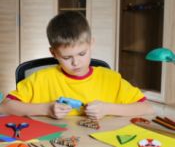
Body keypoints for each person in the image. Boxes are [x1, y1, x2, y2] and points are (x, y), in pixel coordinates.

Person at [0, 11, 154, 119]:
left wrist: (108, 108)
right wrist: (46, 109)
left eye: (82, 53)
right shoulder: (40, 79)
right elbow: (5, 106)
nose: (76, 62)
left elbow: (147, 107)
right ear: (53, 53)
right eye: (67, 57)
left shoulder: (111, 79)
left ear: (91, 44)